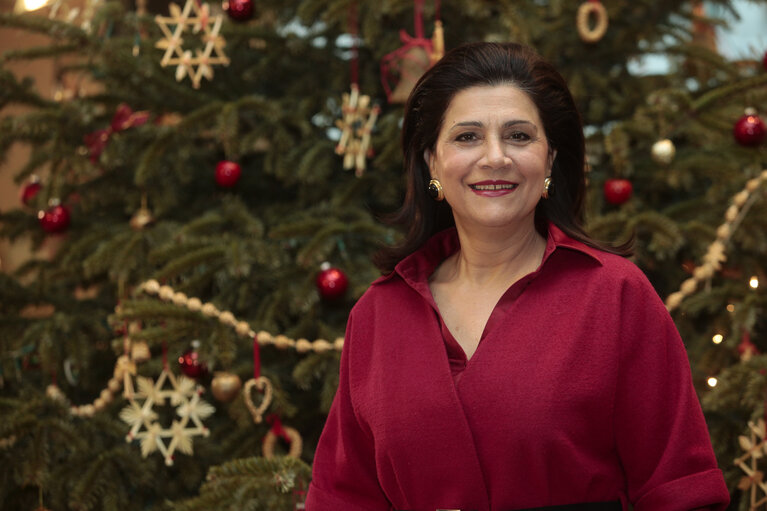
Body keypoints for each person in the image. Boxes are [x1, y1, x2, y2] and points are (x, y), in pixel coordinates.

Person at [305, 42, 730, 511]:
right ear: (432, 163)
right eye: (467, 137)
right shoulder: (378, 314)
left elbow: (681, 492)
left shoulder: (616, 295)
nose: (495, 157)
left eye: (519, 136)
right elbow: (344, 498)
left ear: (549, 161)